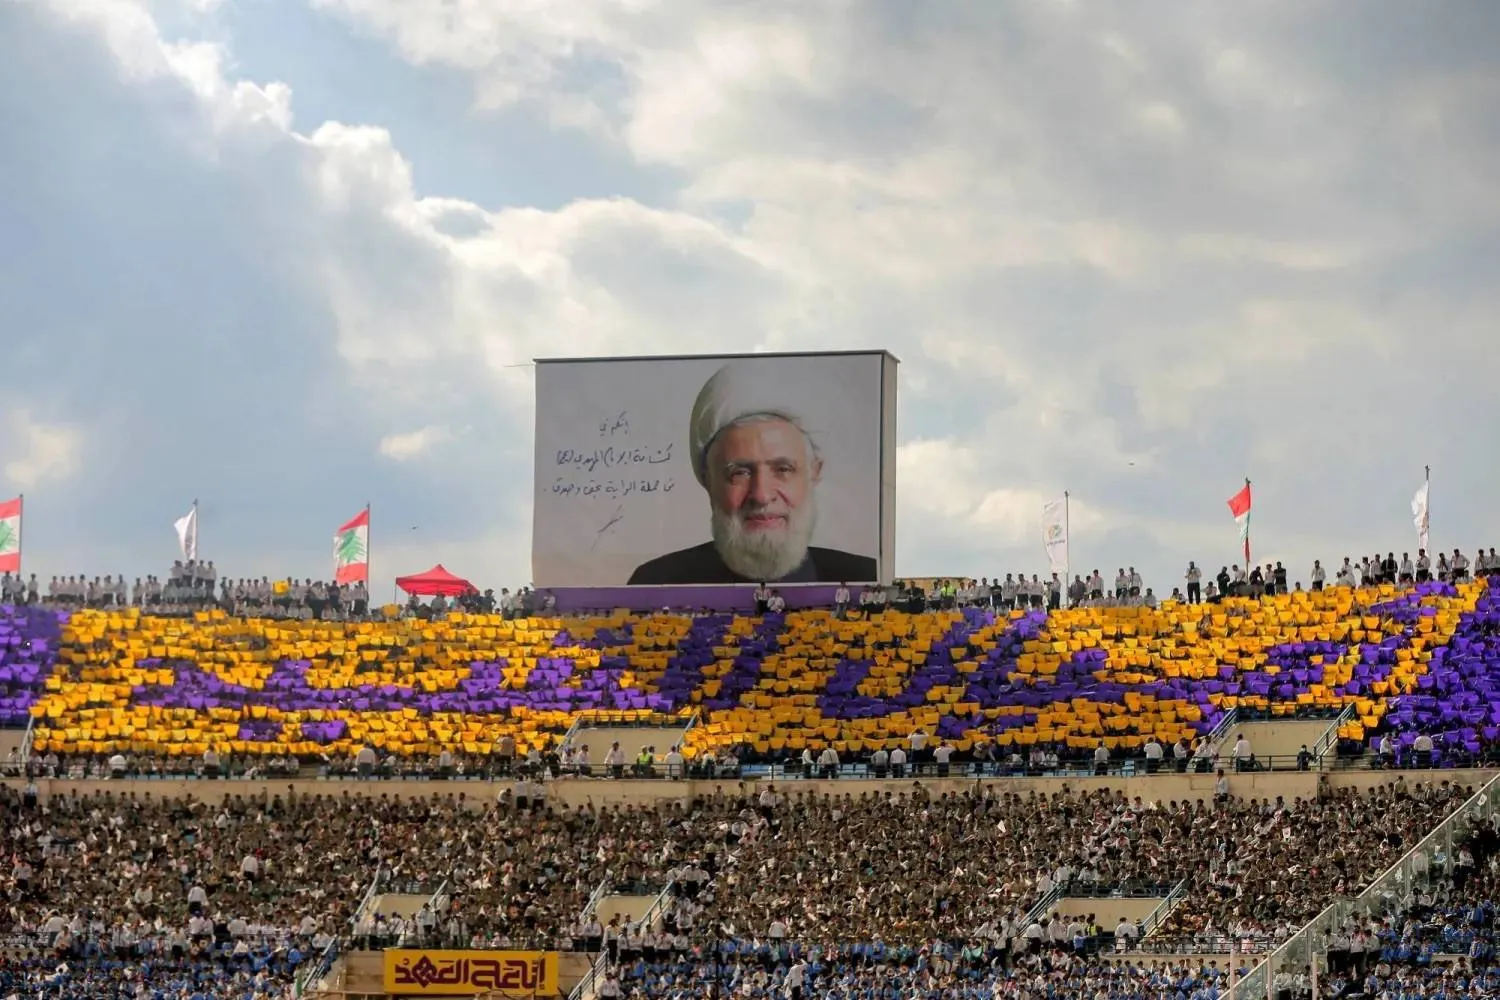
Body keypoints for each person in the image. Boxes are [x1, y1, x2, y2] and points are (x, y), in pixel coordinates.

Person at [628, 360, 877, 584]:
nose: (761, 495)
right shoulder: (657, 585)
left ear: (814, 472)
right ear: (707, 479)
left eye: (783, 469)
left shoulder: (866, 579)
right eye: (740, 472)